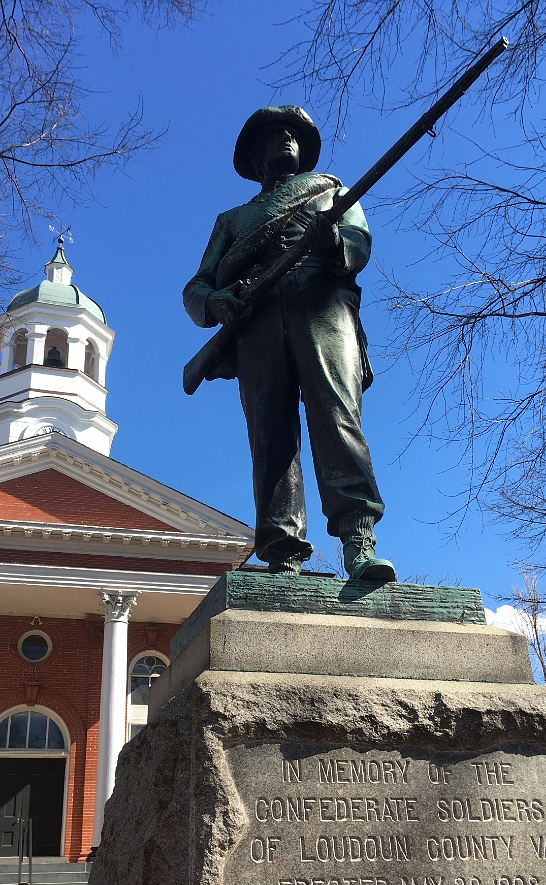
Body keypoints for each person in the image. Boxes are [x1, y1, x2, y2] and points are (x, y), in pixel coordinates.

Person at [183, 105, 395, 581]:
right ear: (255, 158)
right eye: (272, 134)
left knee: (337, 417)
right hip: (256, 327)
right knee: (270, 436)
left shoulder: (330, 191)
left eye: (291, 132)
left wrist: (331, 245)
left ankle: (358, 539)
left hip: (323, 309)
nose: (284, 137)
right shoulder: (233, 219)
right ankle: (281, 551)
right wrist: (218, 301)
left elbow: (358, 244)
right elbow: (195, 289)